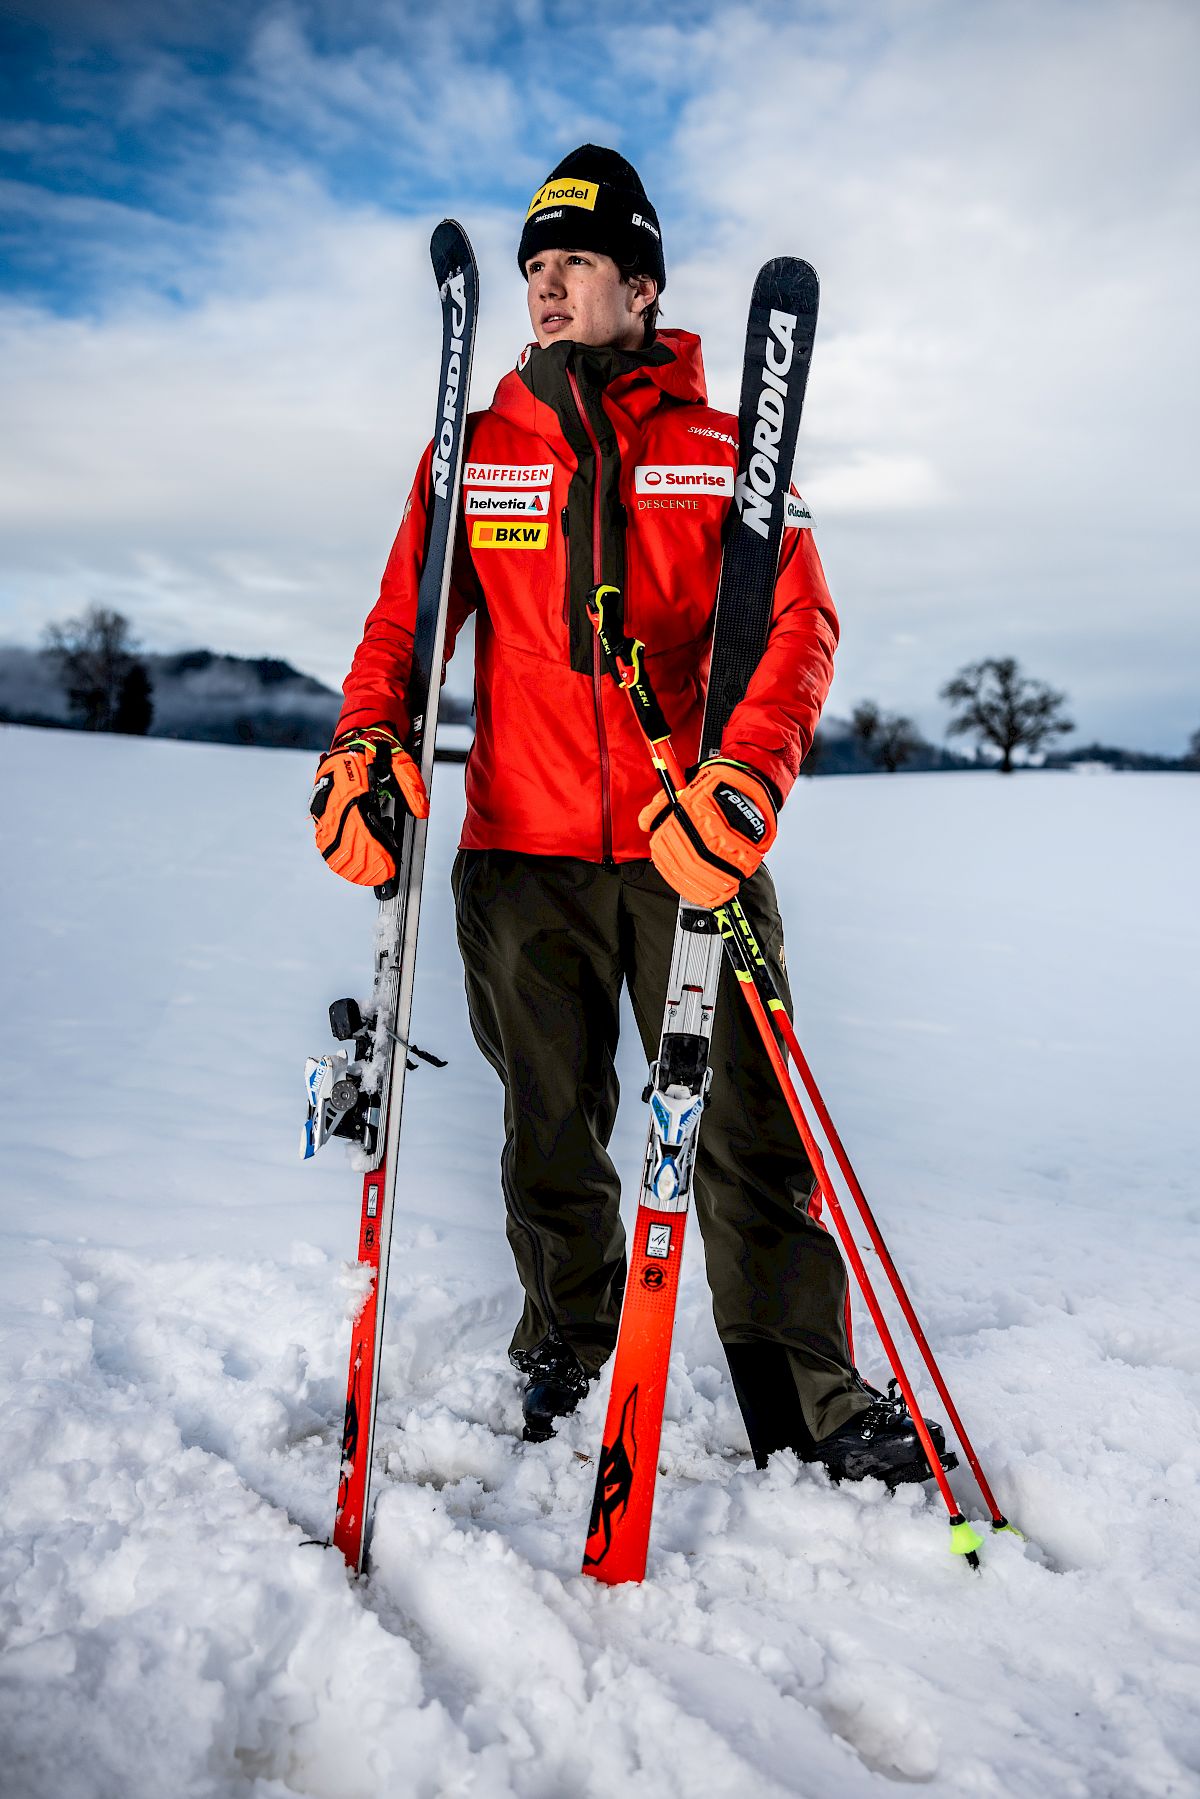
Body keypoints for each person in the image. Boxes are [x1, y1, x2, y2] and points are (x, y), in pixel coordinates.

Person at [312, 145, 946, 1486]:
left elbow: (798, 624)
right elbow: (402, 628)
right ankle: (565, 1333)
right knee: (548, 1120)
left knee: (744, 1125)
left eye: (576, 265)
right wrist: (367, 738)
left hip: (689, 845)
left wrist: (750, 778)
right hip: (520, 854)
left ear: (640, 286)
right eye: (535, 269)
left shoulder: (724, 454)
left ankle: (803, 1393)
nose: (547, 289)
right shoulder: (476, 460)